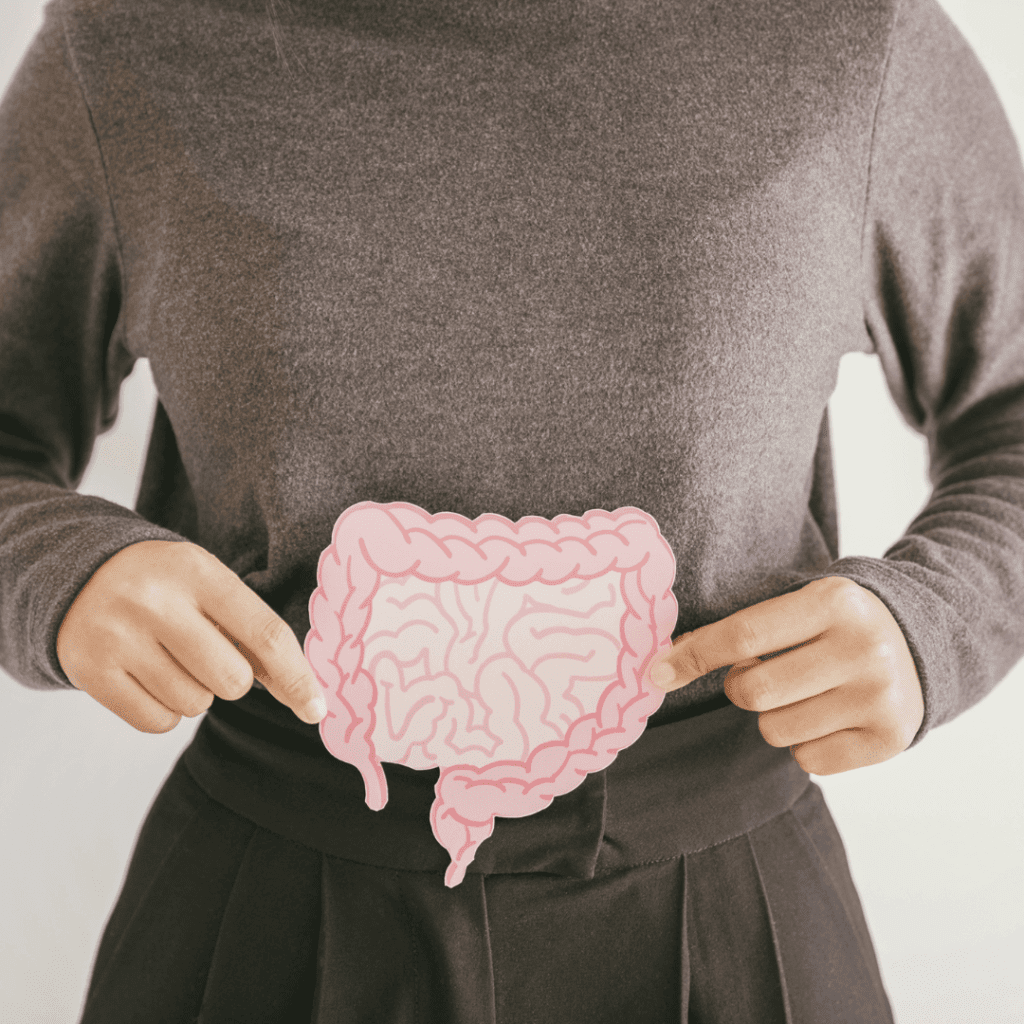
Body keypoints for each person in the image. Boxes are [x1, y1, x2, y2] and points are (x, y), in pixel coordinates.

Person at [1, 0, 1022, 1019]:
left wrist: (938, 617)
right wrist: (56, 566)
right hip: (272, 907)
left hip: (730, 912)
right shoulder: (129, 40)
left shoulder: (854, 38)